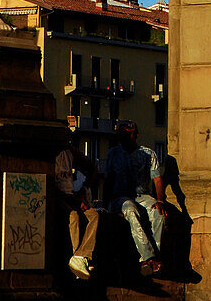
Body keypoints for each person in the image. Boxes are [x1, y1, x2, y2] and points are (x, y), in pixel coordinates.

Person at [104, 120, 165, 275]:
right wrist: (106, 204)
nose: (125, 137)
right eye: (122, 134)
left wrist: (160, 200)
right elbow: (108, 180)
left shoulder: (148, 153)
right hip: (121, 197)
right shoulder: (113, 153)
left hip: (143, 196)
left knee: (158, 214)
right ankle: (148, 257)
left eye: (128, 134)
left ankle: (154, 256)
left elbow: (157, 179)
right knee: (130, 210)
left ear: (136, 135)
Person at [55, 136, 100, 280]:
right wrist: (75, 200)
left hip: (71, 195)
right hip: (58, 196)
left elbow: (91, 167)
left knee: (94, 215)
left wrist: (84, 187)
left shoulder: (71, 152)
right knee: (73, 216)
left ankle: (81, 255)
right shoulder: (53, 154)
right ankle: (76, 256)